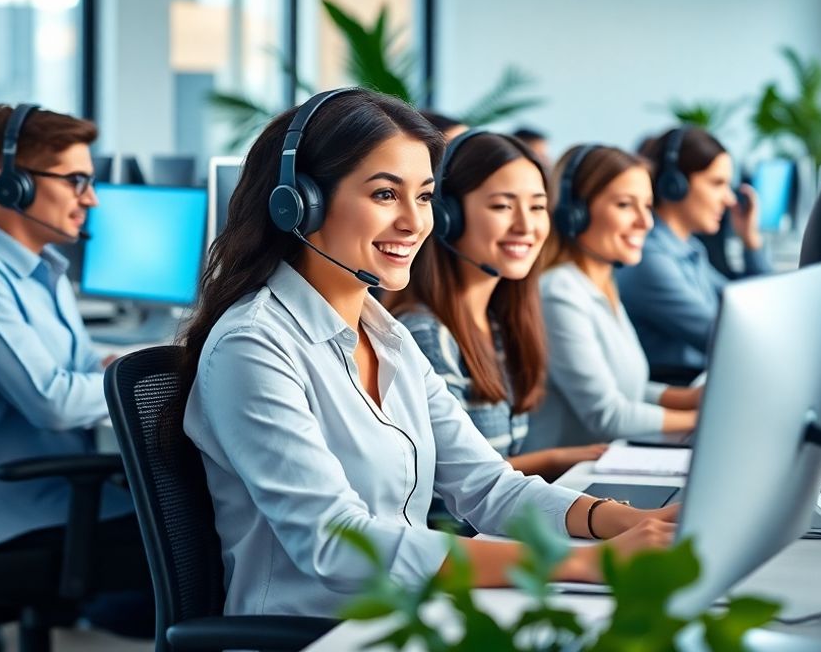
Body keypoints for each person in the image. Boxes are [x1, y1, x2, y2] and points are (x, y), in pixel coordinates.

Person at [179, 89, 676, 620]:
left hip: (411, 617)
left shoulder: (388, 336)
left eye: (423, 197)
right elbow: (335, 542)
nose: (415, 224)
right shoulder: (253, 346)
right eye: (385, 195)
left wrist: (623, 521)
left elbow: (488, 486)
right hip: (319, 633)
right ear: (298, 202)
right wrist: (582, 565)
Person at [0, 103, 151, 635]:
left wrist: (147, 361)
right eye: (76, 180)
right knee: (206, 530)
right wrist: (141, 383)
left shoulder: (41, 269)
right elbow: (53, 401)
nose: (91, 197)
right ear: (10, 184)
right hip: (19, 514)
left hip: (55, 495)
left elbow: (83, 365)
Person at [390, 130, 604, 482]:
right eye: (503, 206)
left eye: (537, 207)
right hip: (462, 536)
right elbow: (451, 480)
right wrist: (556, 459)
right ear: (447, 216)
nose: (526, 226)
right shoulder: (427, 335)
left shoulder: (498, 324)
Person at [523, 145, 700, 453]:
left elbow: (625, 387)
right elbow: (607, 414)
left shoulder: (600, 283)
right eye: (625, 205)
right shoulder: (559, 292)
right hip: (560, 485)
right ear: (574, 212)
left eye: (647, 205)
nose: (646, 222)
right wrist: (702, 419)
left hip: (598, 469)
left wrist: (693, 399)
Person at [618, 126, 768, 384]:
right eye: (717, 183)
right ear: (675, 185)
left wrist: (751, 241)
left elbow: (753, 306)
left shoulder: (687, 249)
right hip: (678, 395)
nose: (730, 199)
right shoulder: (650, 260)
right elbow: (726, 338)